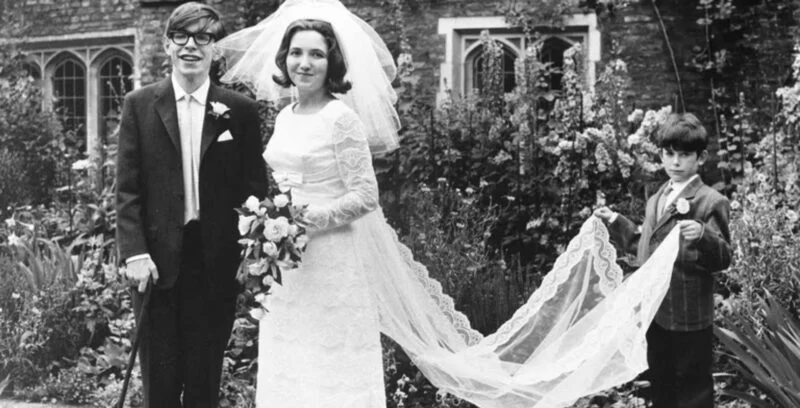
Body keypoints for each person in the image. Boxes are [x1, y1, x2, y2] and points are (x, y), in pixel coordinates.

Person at [218, 1, 683, 407]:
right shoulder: (284, 116)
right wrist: (269, 224)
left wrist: (299, 221)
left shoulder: (341, 119)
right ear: (284, 58)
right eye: (296, 52)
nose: (304, 62)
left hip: (334, 258)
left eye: (316, 54)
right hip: (289, 264)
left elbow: (364, 195)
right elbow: (279, 183)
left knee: (332, 356)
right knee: (291, 352)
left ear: (332, 62)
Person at [115, 3, 268, 407]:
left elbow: (255, 191)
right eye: (181, 36)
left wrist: (247, 259)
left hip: (214, 266)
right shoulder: (139, 105)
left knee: (203, 385)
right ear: (166, 45)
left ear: (215, 49)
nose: (191, 46)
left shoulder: (240, 111)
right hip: (155, 263)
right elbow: (126, 190)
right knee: (160, 386)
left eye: (203, 38)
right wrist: (134, 253)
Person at [594, 112, 732, 408]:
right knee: (662, 385)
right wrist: (616, 221)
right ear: (661, 155)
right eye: (669, 154)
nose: (676, 162)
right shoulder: (658, 198)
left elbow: (724, 258)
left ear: (701, 157)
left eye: (684, 155)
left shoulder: (710, 201)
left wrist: (703, 236)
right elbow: (647, 248)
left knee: (694, 390)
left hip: (690, 313)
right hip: (656, 312)